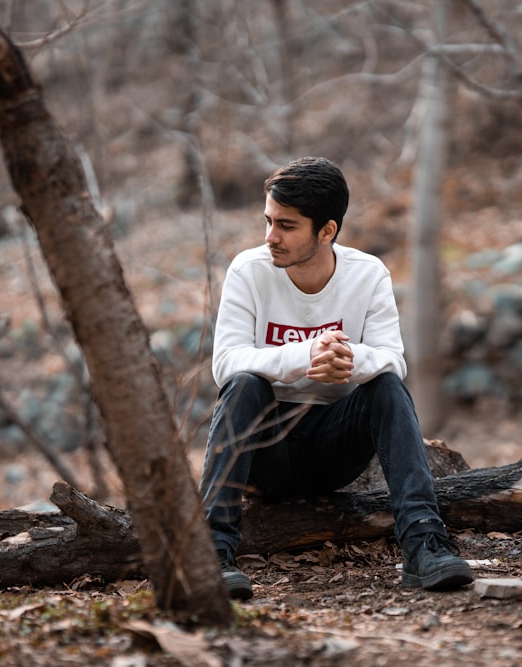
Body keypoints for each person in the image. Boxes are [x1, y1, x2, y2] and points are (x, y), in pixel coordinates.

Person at [198, 156, 473, 600]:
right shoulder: (248, 271)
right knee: (245, 384)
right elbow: (226, 363)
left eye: (286, 226)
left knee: (385, 385)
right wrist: (307, 354)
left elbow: (391, 360)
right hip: (265, 446)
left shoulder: (367, 274)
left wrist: (345, 358)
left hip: (333, 449)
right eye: (268, 221)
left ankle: (424, 544)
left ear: (326, 231)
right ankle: (211, 555)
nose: (270, 237)